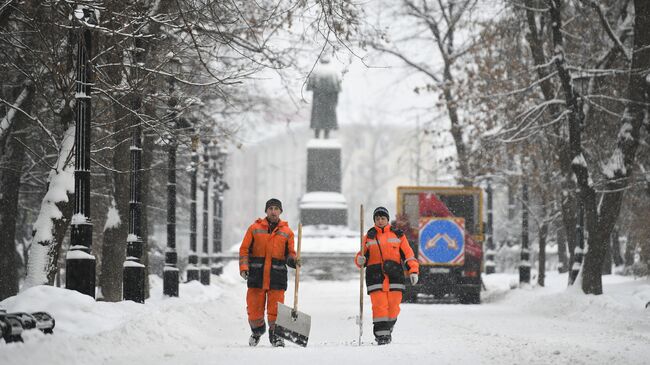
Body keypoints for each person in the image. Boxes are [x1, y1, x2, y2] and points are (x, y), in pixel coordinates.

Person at [354, 206, 419, 345]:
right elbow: (361, 256)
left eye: (383, 218)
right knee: (379, 306)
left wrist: (413, 270)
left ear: (387, 219)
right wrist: (359, 260)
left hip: (395, 276)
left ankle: (387, 328)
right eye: (377, 218)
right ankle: (382, 336)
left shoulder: (398, 235)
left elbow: (408, 255)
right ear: (374, 220)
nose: (380, 220)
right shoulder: (369, 236)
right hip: (375, 277)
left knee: (394, 307)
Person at [239, 198, 299, 347]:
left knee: (276, 309)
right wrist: (244, 268)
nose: (273, 211)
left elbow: (290, 253)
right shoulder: (254, 228)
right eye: (270, 208)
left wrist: (293, 260)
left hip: (276, 277)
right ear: (266, 211)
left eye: (276, 208)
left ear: (280, 211)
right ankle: (257, 331)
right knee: (254, 310)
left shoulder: (287, 232)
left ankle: (277, 336)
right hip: (256, 276)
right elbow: (244, 249)